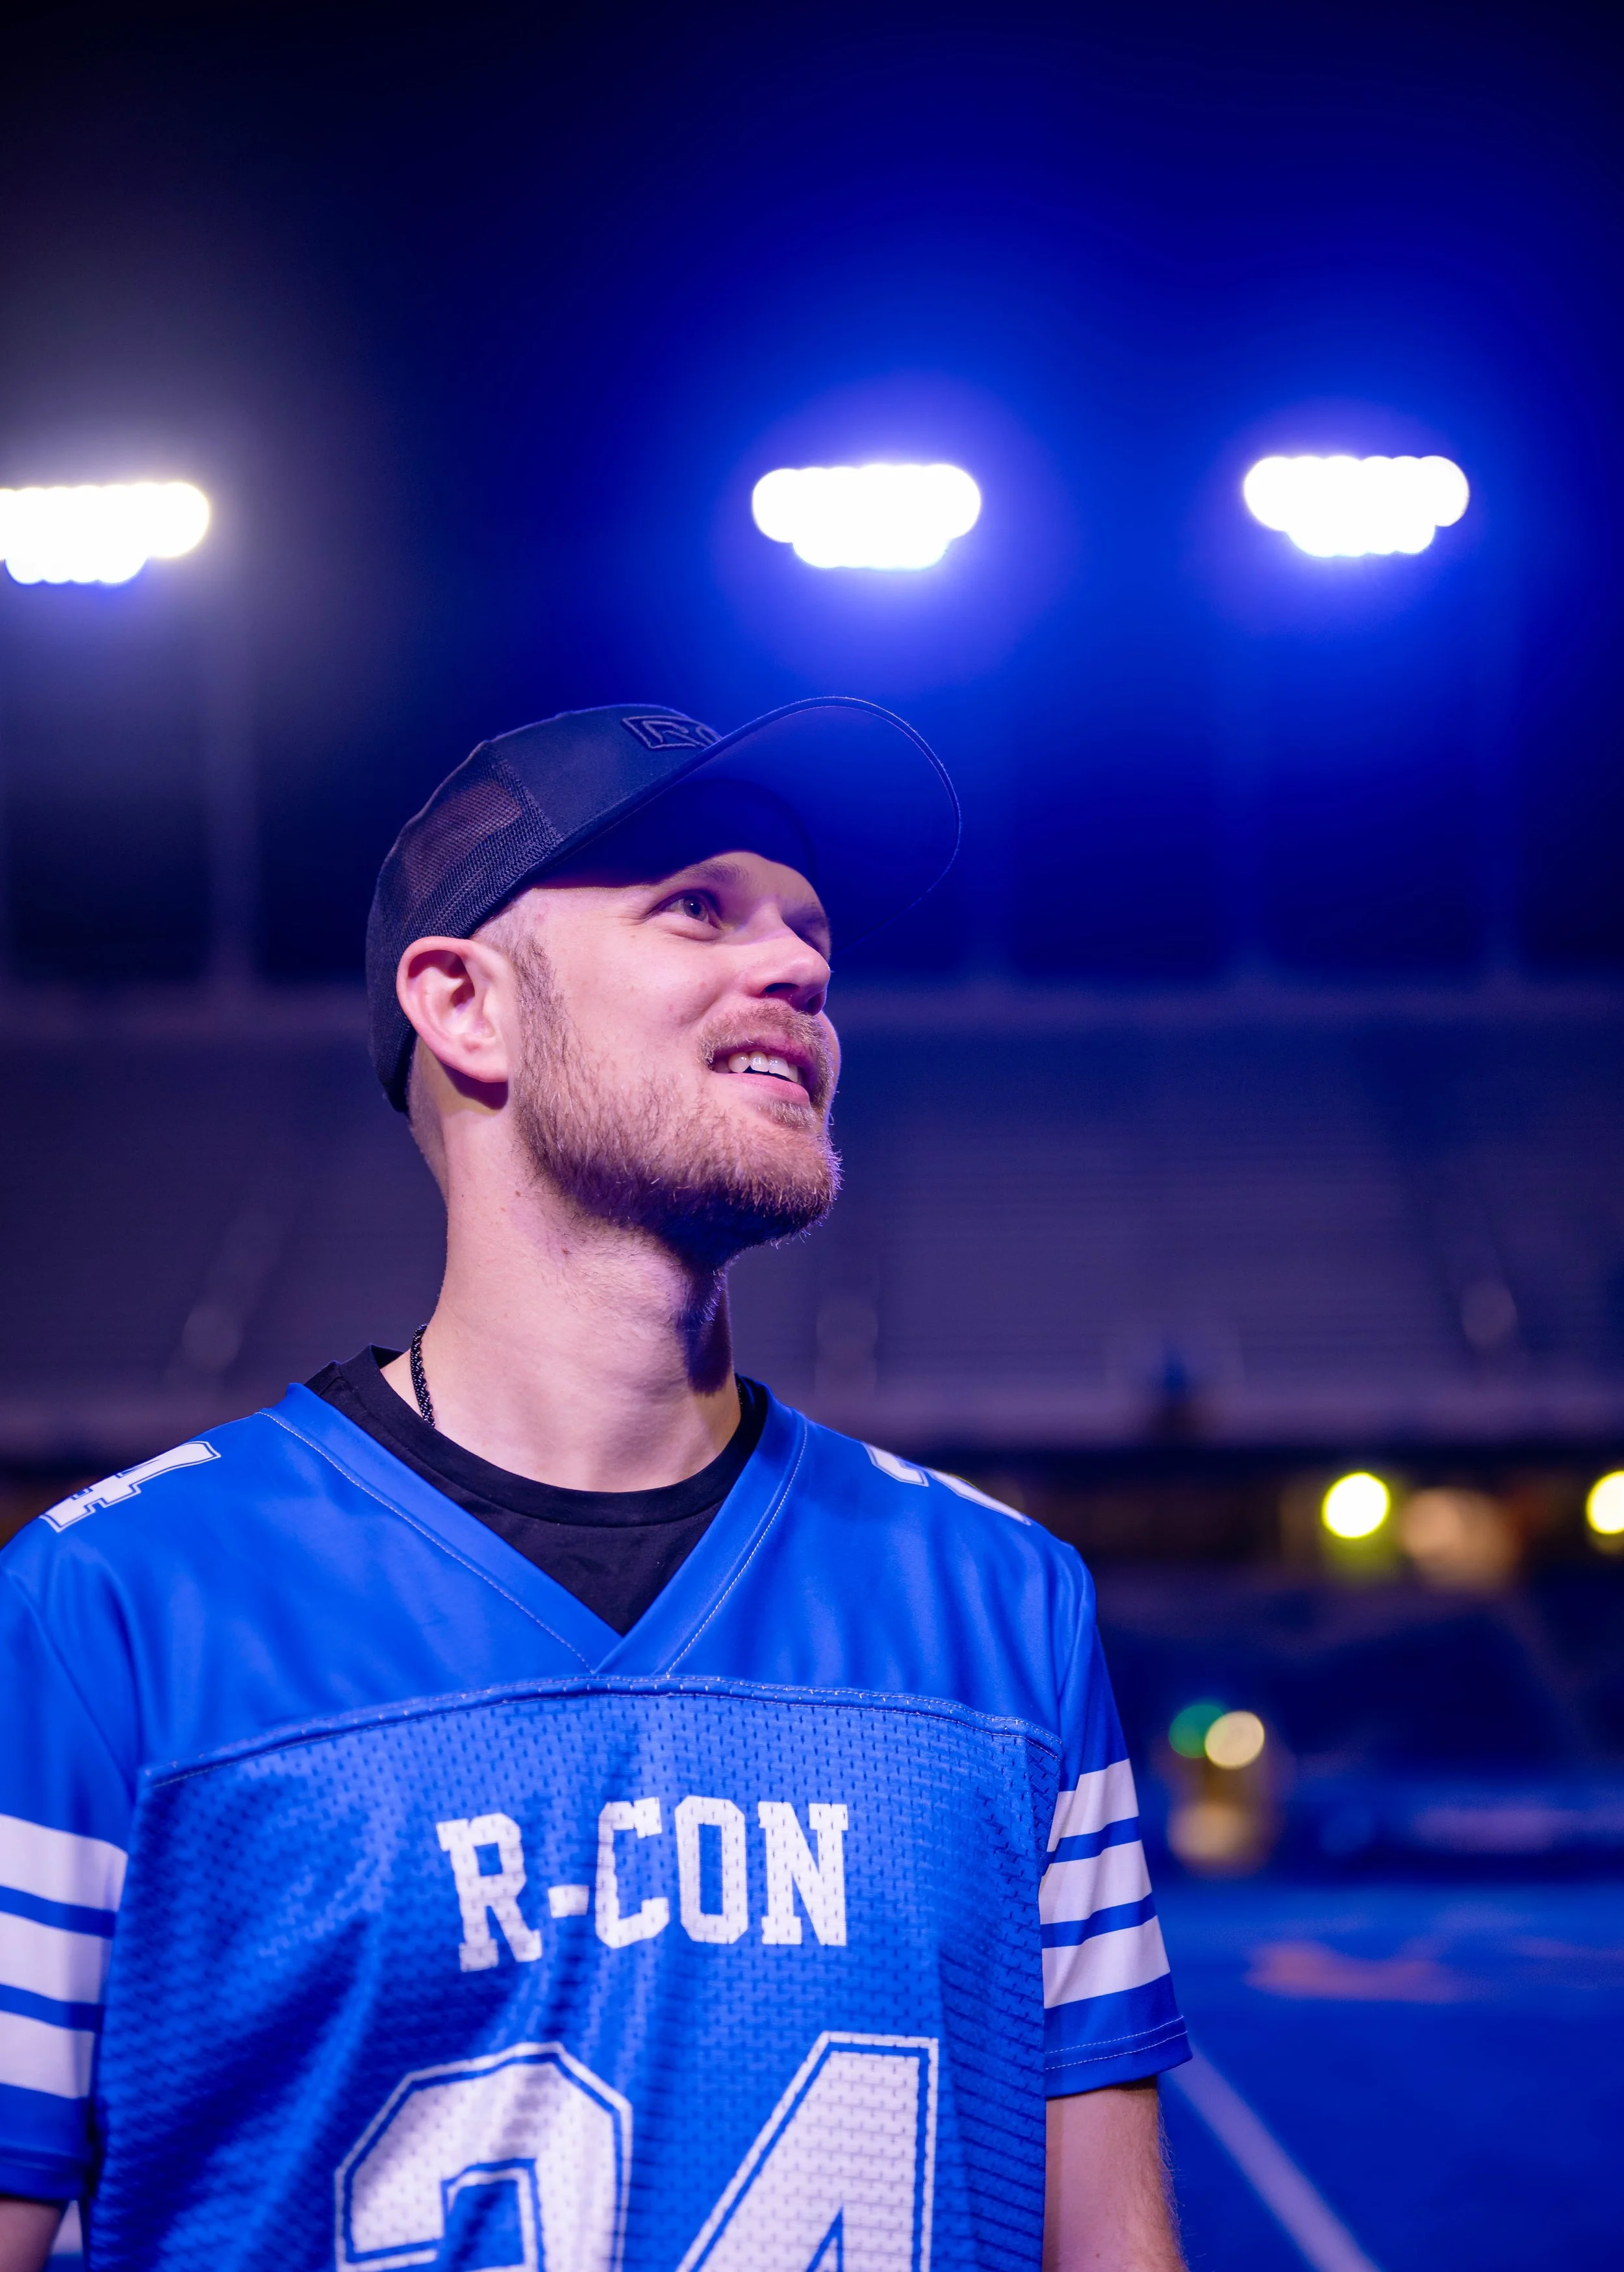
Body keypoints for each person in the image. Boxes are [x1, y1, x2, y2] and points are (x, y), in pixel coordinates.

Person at [0, 697, 1188, 2272]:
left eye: (809, 928)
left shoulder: (1002, 1604)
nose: (799, 969)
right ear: (464, 1006)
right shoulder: (113, 1615)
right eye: (694, 906)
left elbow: (1112, 2244)